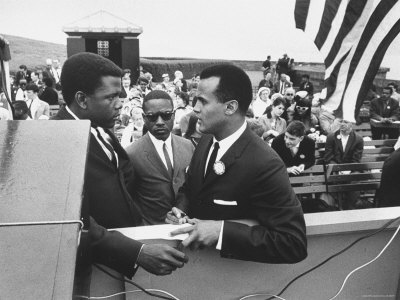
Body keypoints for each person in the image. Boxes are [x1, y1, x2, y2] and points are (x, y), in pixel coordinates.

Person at [50, 52, 188, 296]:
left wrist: (156, 220)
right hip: (88, 274)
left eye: (121, 95)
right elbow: (71, 222)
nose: (120, 103)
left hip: (119, 261)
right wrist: (136, 253)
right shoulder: (56, 142)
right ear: (82, 99)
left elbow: (124, 188)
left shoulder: (101, 129)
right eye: (111, 97)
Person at [168, 64, 307, 264]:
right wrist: (181, 209)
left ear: (230, 107)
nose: (195, 108)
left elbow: (293, 243)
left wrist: (221, 231)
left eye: (203, 101)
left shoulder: (265, 163)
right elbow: (191, 188)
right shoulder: (206, 139)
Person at [125, 90, 194, 225]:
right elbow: (129, 199)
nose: (160, 122)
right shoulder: (131, 154)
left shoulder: (188, 146)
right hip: (151, 233)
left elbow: (192, 187)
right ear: (144, 118)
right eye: (152, 117)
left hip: (187, 229)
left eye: (166, 115)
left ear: (174, 115)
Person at [324, 119, 364, 210]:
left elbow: (356, 159)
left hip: (351, 169)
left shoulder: (358, 139)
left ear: (352, 123)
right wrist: (339, 169)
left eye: (345, 122)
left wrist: (348, 169)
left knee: (355, 177)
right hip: (335, 168)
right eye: (341, 121)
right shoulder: (331, 137)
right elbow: (328, 158)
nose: (342, 124)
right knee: (334, 176)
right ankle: (335, 207)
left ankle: (350, 207)